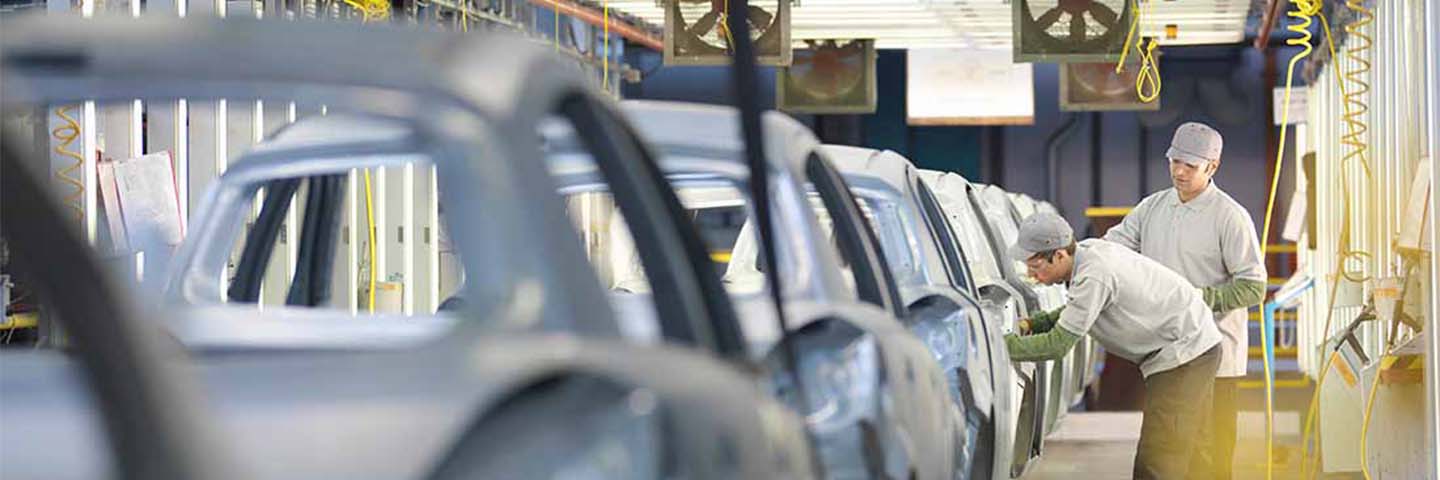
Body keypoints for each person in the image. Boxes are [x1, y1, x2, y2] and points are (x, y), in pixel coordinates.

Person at [1103, 121, 1267, 479]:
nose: (1179, 171)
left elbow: (1254, 286)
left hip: (1216, 359)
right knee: (1166, 453)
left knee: (1209, 458)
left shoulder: (1229, 216)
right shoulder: (1153, 208)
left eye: (1190, 166)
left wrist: (1196, 299)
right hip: (1168, 355)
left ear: (1212, 167)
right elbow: (1112, 248)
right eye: (1174, 161)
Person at [1004, 211, 1222, 480]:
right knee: (1191, 449)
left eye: (1035, 266)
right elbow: (1077, 310)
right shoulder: (1087, 253)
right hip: (1196, 341)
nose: (1031, 274)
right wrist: (1032, 324)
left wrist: (1000, 345)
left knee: (1160, 455)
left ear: (1059, 255)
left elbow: (1057, 345)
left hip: (1185, 352)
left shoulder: (1094, 274)